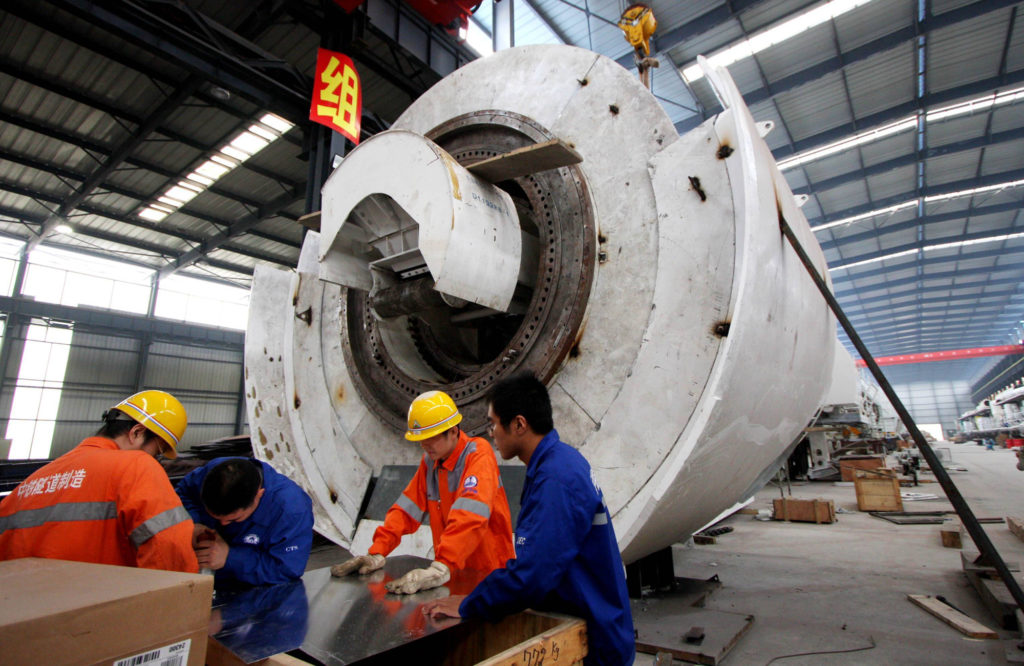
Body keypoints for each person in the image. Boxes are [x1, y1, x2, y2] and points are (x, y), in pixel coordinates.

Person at [422, 374, 635, 666]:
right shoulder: (559, 462)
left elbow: (533, 575)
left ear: (519, 425)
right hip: (594, 623)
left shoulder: (556, 479)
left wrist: (471, 604)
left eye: (493, 423)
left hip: (595, 645)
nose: (491, 433)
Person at [332, 390, 515, 595]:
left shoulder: (478, 455)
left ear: (453, 432)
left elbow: (470, 517)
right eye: (421, 439)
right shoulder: (431, 463)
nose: (424, 445)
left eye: (431, 438)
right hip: (452, 573)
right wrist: (377, 551)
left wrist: (442, 565)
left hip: (488, 575)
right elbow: (405, 511)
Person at [0, 390, 197, 573]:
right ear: (137, 433)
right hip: (98, 605)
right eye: (158, 452)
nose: (155, 460)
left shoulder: (31, 483)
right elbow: (170, 553)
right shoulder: (136, 466)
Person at [176, 456, 314, 586]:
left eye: (234, 519)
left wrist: (230, 558)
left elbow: (286, 570)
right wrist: (193, 522)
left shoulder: (292, 510)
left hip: (250, 591)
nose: (222, 524)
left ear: (258, 495)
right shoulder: (216, 472)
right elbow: (182, 493)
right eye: (214, 517)